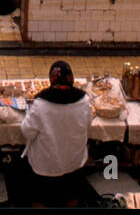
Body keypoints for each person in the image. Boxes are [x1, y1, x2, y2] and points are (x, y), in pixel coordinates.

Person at [19, 60, 92, 207]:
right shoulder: (84, 101)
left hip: (45, 166)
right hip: (74, 163)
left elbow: (27, 132)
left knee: (40, 199)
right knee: (72, 194)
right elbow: (88, 123)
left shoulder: (41, 104)